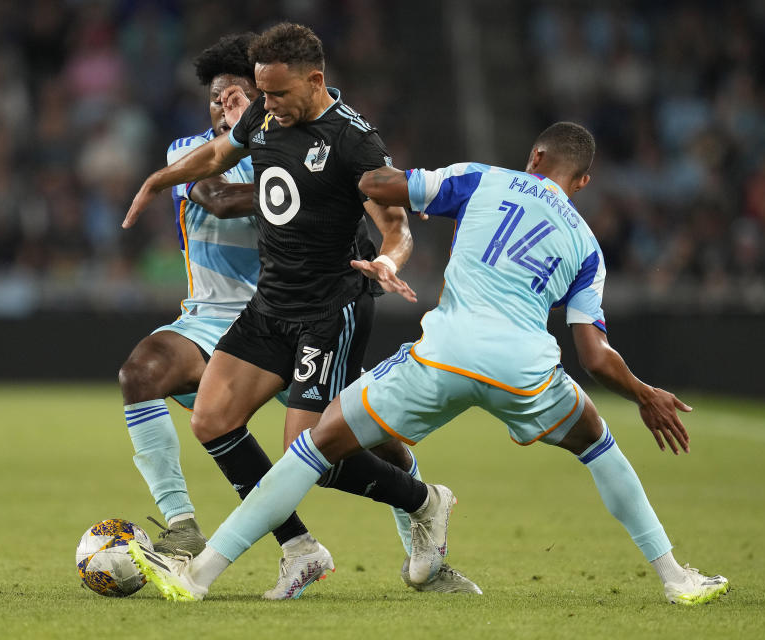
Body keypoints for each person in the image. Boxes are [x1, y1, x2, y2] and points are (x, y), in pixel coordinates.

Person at [128, 122, 730, 606]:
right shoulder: (587, 246)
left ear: (535, 156)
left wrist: (325, 164)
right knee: (599, 446)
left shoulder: (482, 179)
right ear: (583, 181)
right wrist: (645, 392)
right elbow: (595, 356)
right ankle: (674, 575)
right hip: (526, 371)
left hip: (442, 355)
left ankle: (200, 574)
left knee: (310, 450)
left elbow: (385, 187)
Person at [122, 22, 477, 598]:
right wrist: (159, 180)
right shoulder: (264, 115)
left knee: (308, 454)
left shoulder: (354, 142)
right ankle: (298, 549)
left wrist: (390, 260)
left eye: (278, 94)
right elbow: (215, 156)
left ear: (315, 81)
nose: (268, 107)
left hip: (327, 312)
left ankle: (424, 502)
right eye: (261, 94)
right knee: (211, 419)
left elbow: (394, 224)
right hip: (269, 305)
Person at [118, 33, 322, 598]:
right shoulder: (188, 147)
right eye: (216, 98)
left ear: (262, 98)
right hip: (208, 319)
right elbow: (214, 196)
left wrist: (278, 161)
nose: (222, 107)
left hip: (288, 315)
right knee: (141, 373)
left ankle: (421, 525)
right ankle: (182, 528)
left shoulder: (296, 149)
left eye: (235, 95)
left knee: (363, 445)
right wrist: (294, 188)